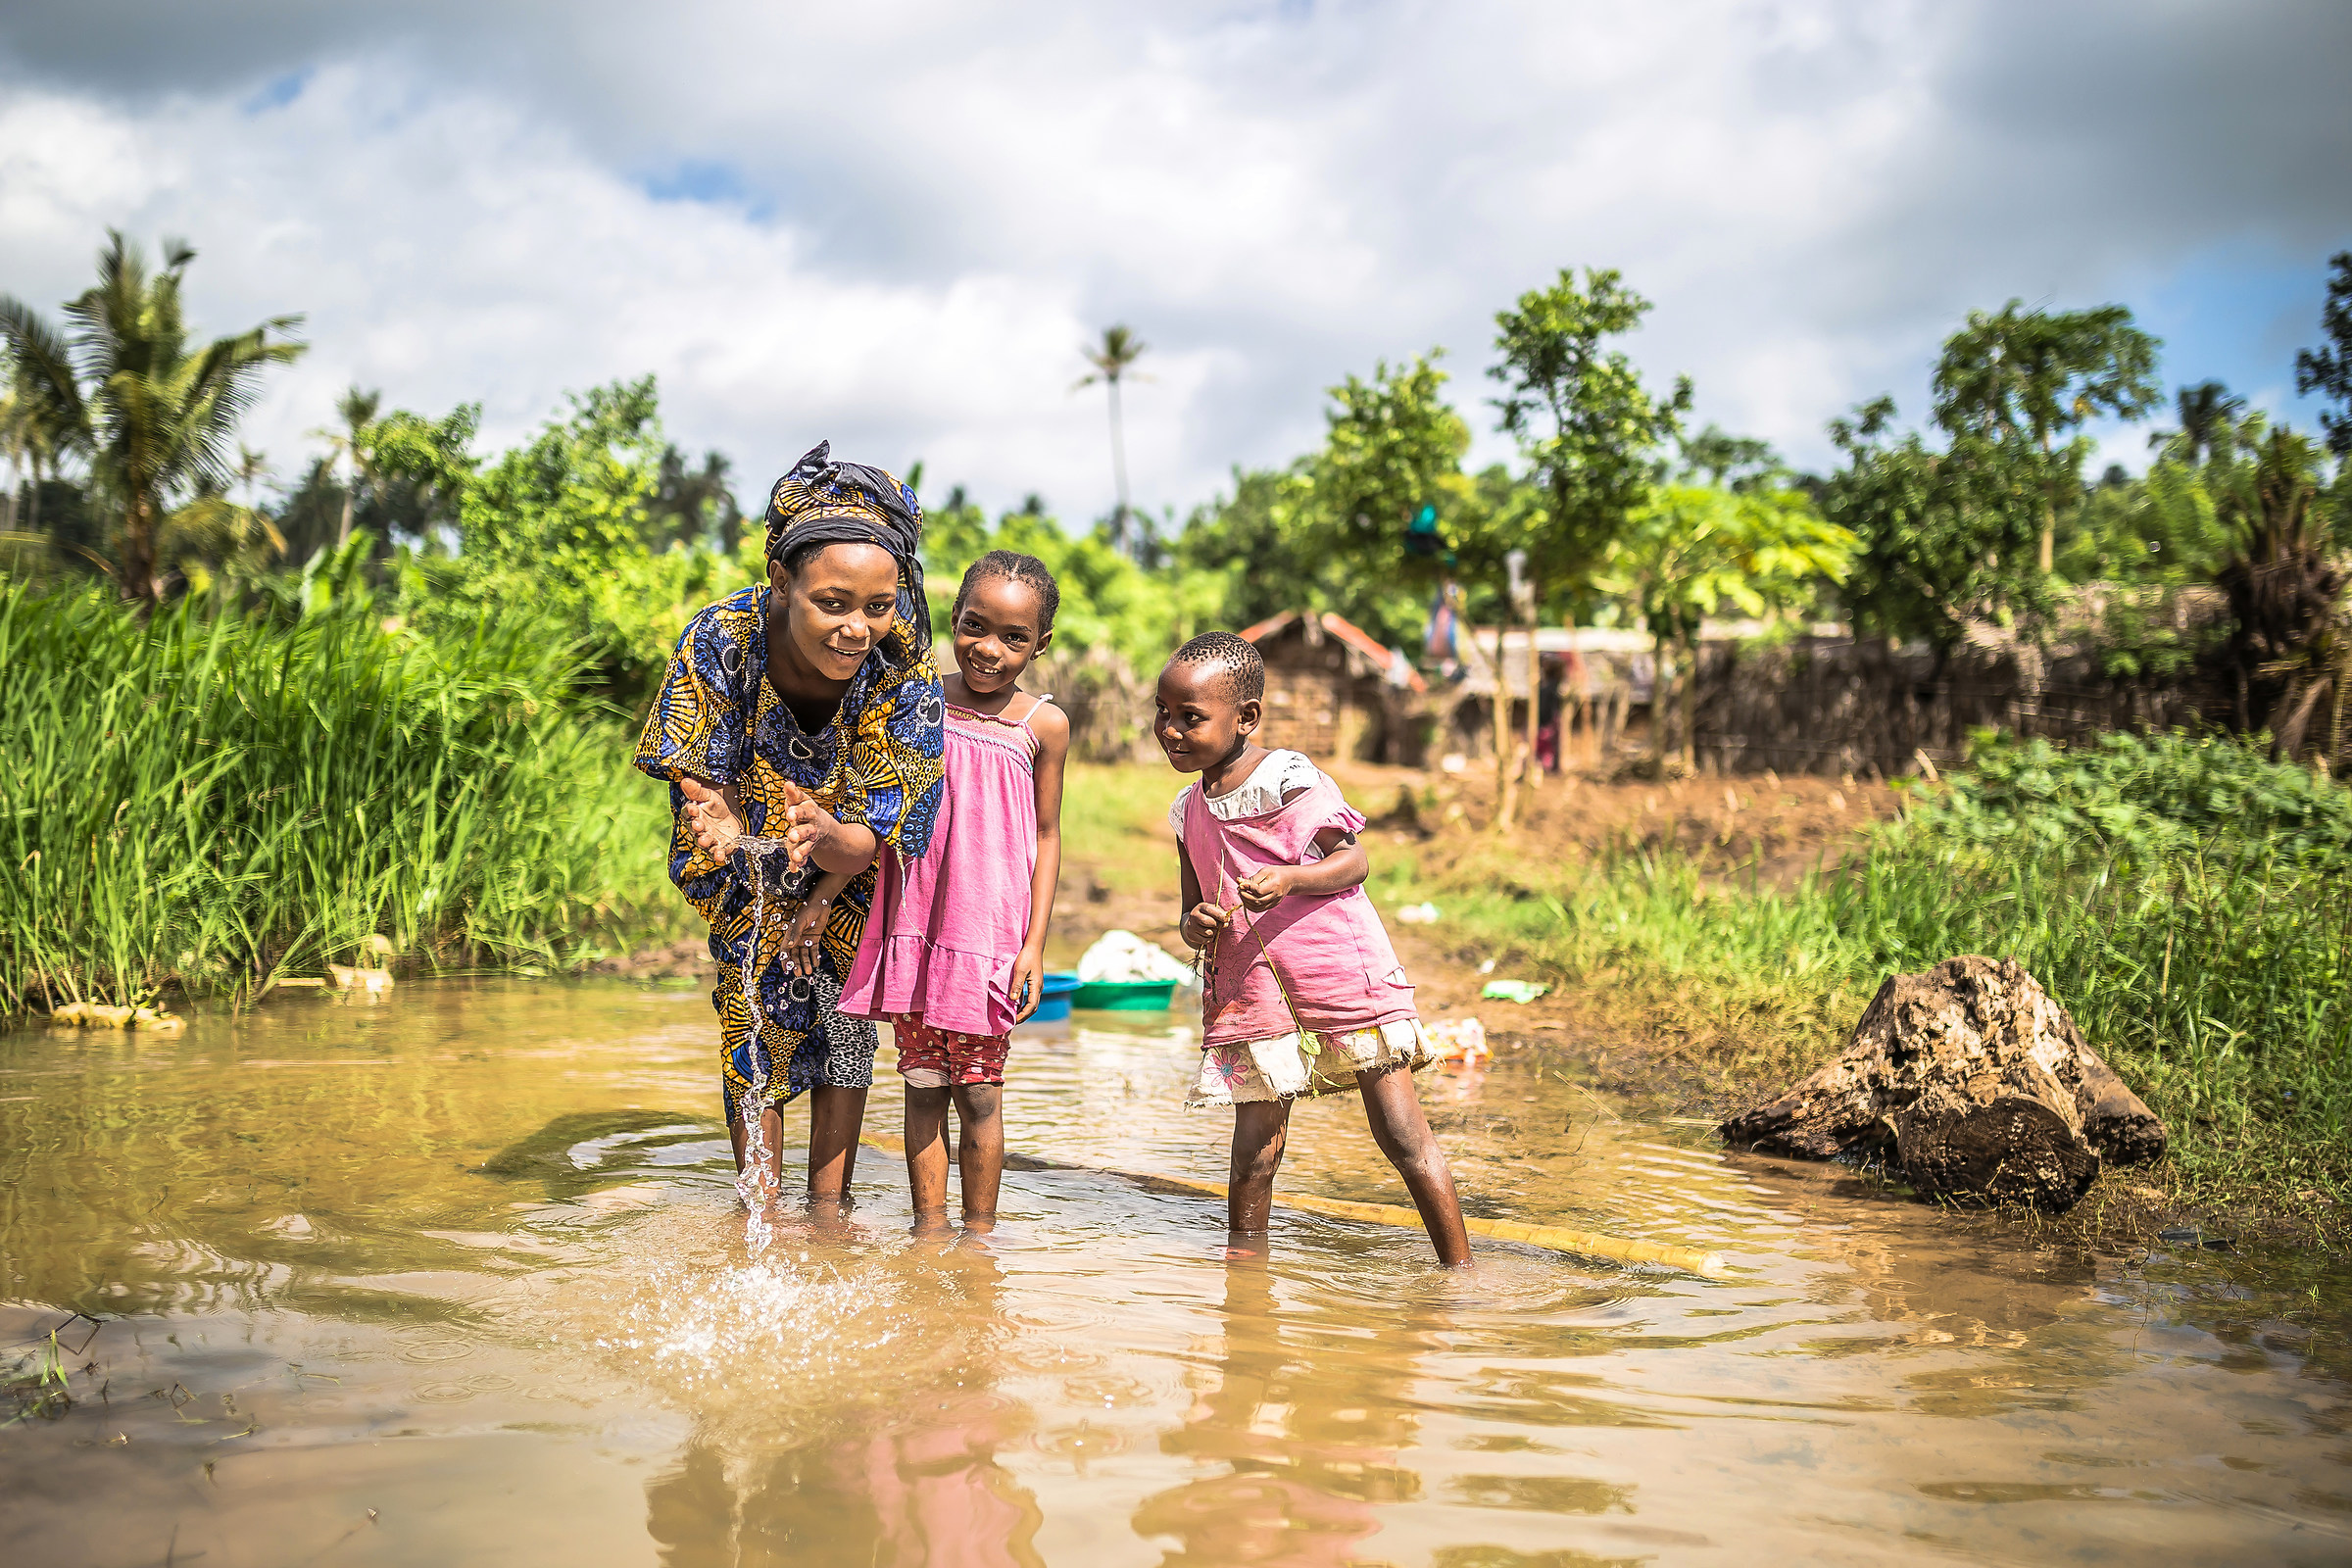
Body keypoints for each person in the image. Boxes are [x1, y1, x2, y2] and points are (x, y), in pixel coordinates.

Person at [634, 441, 946, 1212]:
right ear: (782, 579)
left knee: (844, 1014)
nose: (856, 629)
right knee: (754, 1006)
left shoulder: (903, 662)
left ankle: (830, 1213)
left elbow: (891, 816)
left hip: (851, 857)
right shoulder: (721, 637)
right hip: (745, 852)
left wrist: (828, 840)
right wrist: (717, 812)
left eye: (878, 606)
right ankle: (759, 1211)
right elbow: (695, 758)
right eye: (831, 603)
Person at [1153, 631, 1473, 1268]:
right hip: (1254, 993)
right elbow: (1192, 908)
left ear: (1246, 718)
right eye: (1163, 714)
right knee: (1254, 1155)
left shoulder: (1286, 776)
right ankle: (1245, 1288)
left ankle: (1460, 1271)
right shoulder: (1187, 809)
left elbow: (1354, 861)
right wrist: (1197, 925)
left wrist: (1291, 878)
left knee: (1403, 1136)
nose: (1171, 731)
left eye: (1191, 718)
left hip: (1338, 975)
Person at [843, 551, 1069, 1231]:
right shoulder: (920, 701)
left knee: (979, 1094)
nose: (990, 649)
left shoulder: (1042, 726)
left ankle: (979, 1239)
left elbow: (1050, 837)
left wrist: (1033, 946)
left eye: (1014, 638)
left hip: (989, 939)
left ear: (1040, 644)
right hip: (915, 928)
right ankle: (929, 1232)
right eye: (975, 627)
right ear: (953, 619)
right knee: (921, 1089)